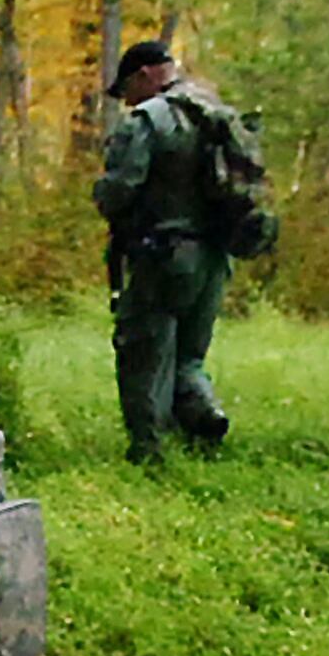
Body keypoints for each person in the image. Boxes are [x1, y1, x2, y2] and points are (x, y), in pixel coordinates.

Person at [93, 40, 240, 465]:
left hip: (166, 254)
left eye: (126, 91)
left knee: (142, 349)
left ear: (142, 76)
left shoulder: (149, 120)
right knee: (189, 356)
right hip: (215, 257)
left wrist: (102, 193)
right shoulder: (213, 111)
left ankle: (148, 450)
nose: (127, 102)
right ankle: (204, 420)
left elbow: (121, 189)